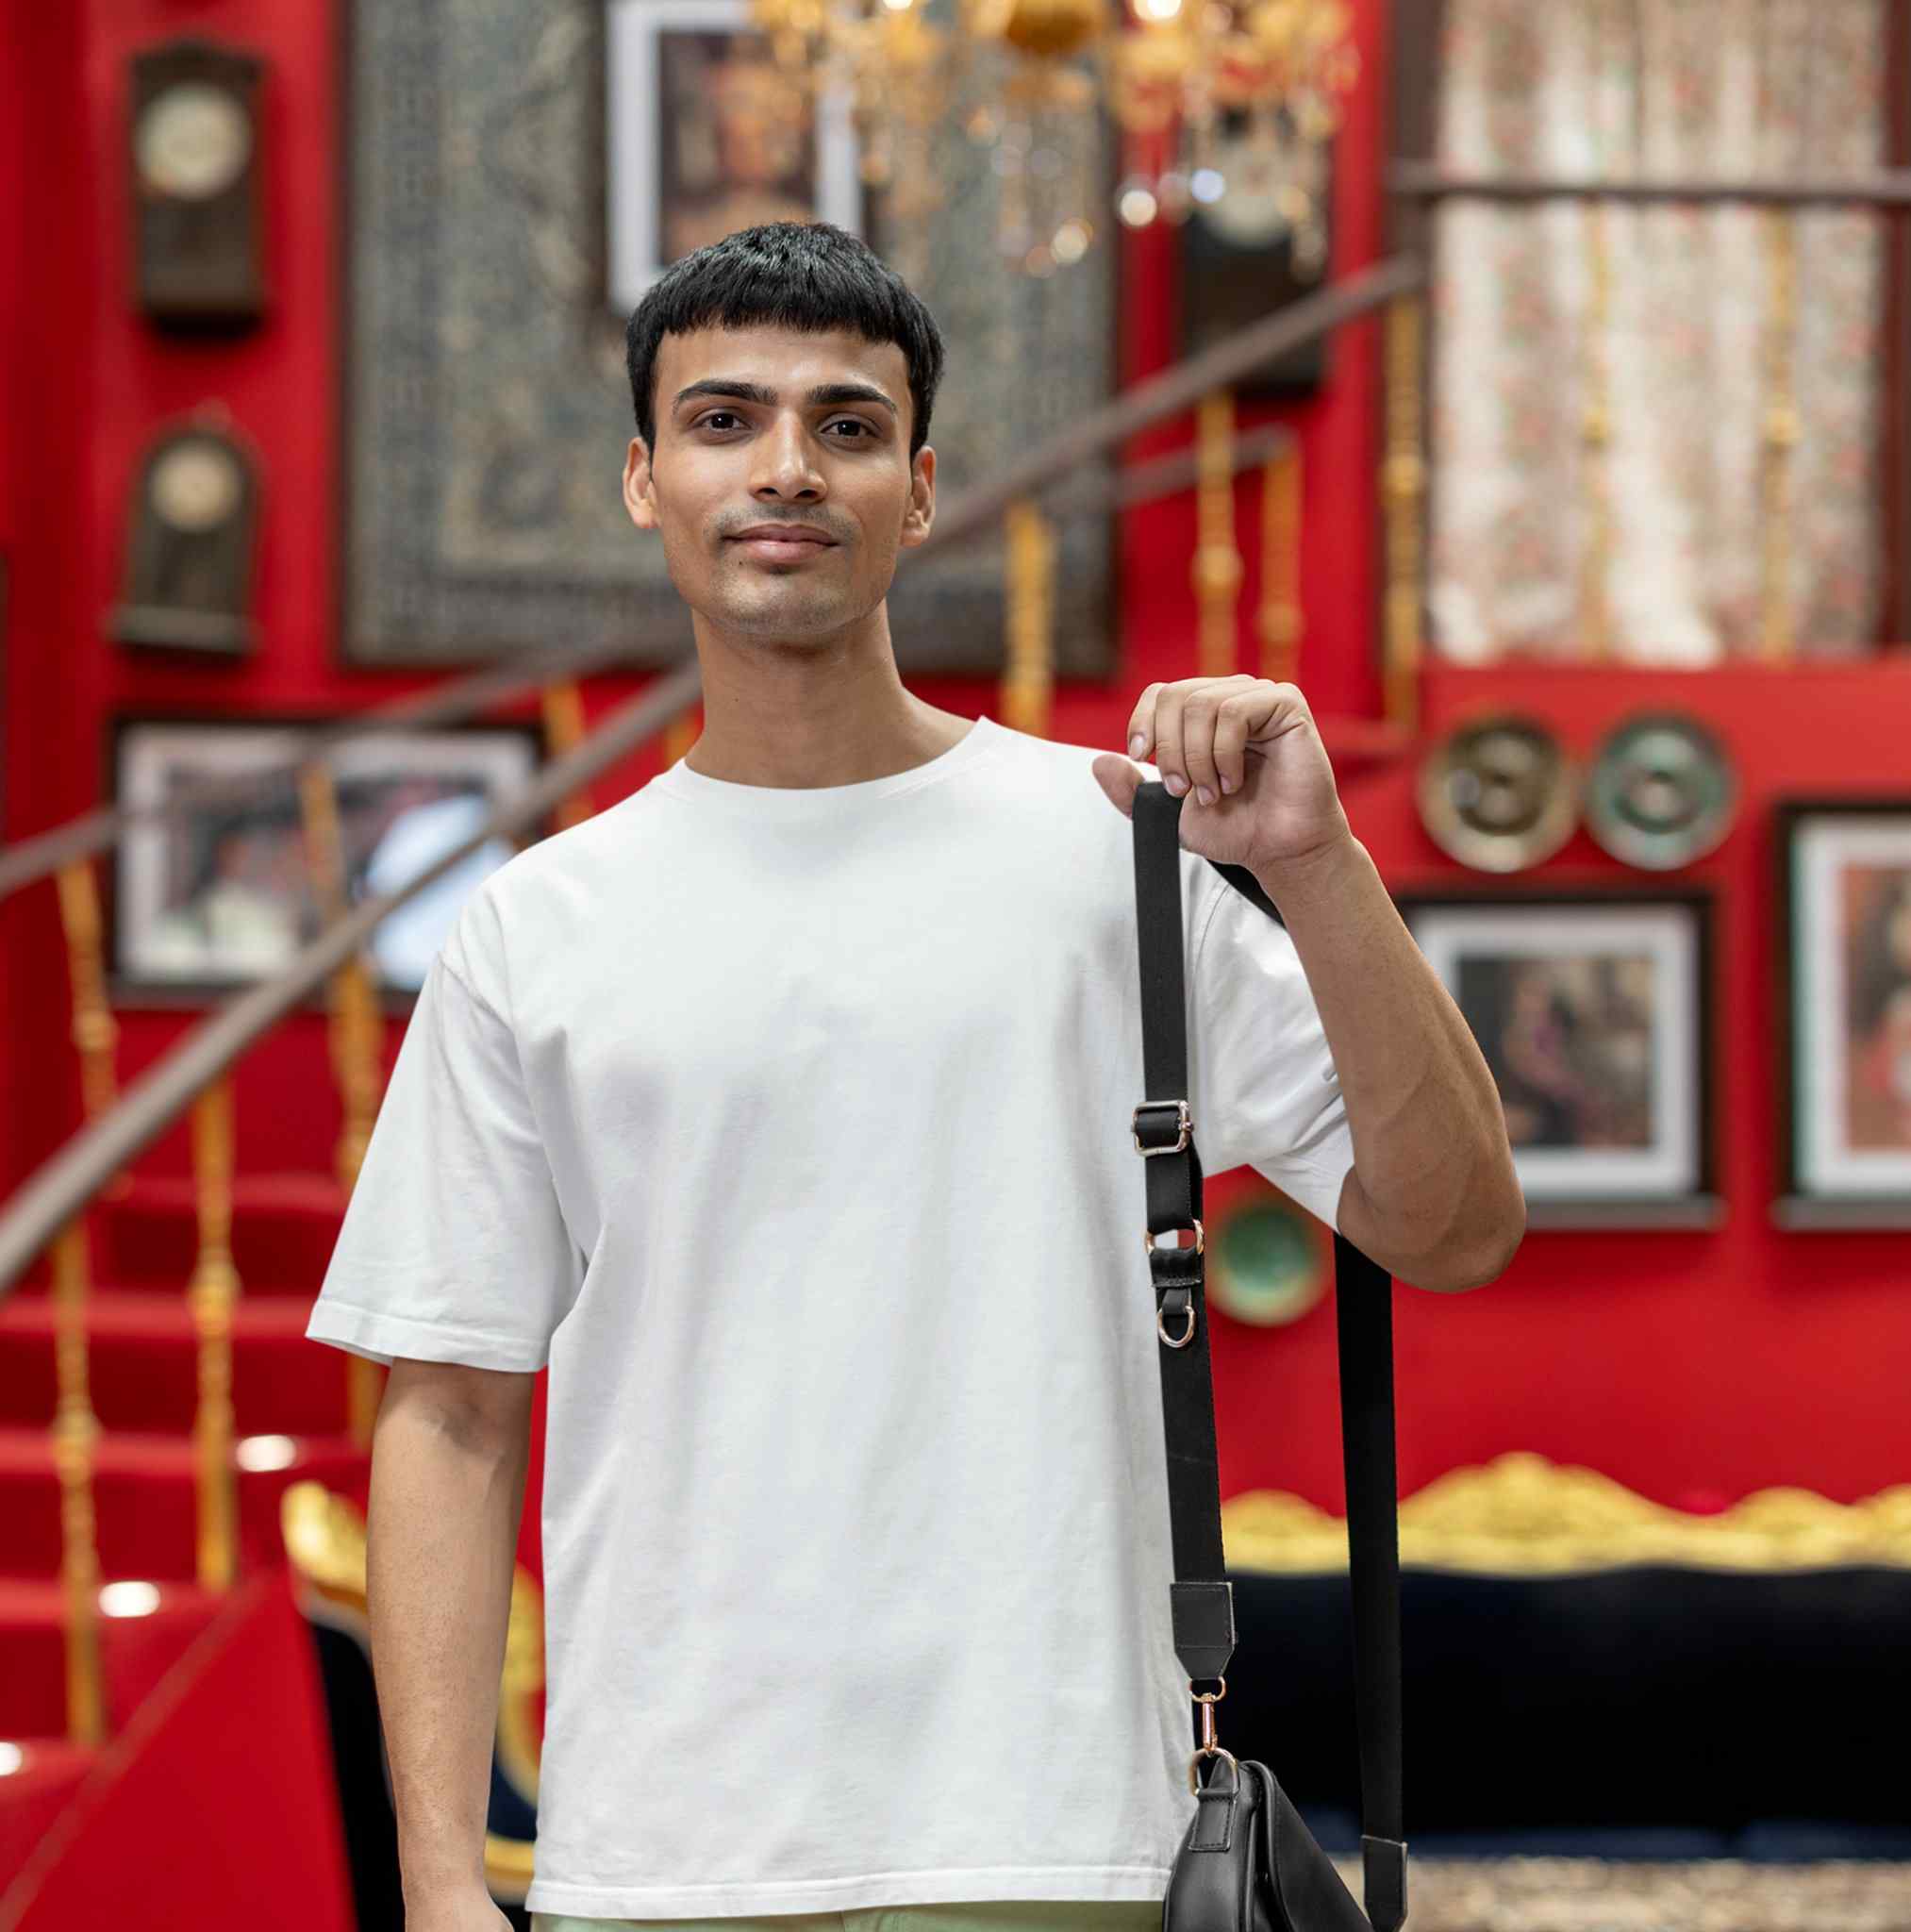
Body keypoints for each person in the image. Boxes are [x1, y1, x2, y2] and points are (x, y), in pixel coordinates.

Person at [305, 221, 1524, 1932]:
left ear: (923, 488)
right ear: (645, 480)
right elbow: (446, 1409)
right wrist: (437, 1883)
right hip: (667, 1856)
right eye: (724, 420)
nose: (786, 469)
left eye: (848, 425)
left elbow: (1453, 1227)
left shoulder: (1111, 857)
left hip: (1060, 1842)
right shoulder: (537, 927)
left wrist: (1318, 869)